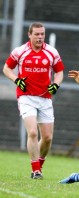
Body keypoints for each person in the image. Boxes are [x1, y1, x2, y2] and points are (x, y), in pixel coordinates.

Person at [2, 22, 64, 179]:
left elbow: (59, 72)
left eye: (42, 34)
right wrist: (16, 80)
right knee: (32, 132)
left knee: (48, 137)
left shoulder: (51, 52)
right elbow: (6, 69)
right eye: (37, 34)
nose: (40, 37)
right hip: (26, 97)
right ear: (29, 35)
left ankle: (39, 165)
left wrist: (55, 85)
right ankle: (35, 170)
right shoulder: (20, 51)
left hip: (45, 98)